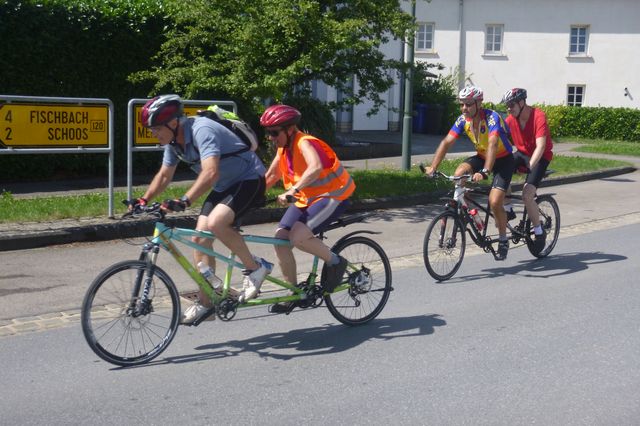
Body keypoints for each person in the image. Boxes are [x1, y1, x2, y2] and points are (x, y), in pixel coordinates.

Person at [132, 95, 272, 324]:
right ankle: (207, 303)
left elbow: (210, 172)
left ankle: (256, 267)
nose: (153, 133)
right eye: (151, 129)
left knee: (217, 223)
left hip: (249, 179)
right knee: (199, 239)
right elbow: (165, 175)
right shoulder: (174, 143)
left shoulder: (202, 130)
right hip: (225, 186)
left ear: (174, 123)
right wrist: (143, 199)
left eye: (156, 128)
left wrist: (185, 200)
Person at [259, 104, 356, 312]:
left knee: (298, 237)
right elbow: (271, 176)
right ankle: (293, 291)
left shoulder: (305, 143)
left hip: (333, 195)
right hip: (307, 198)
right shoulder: (283, 149)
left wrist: (292, 189)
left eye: (274, 133)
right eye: (268, 133)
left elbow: (315, 167)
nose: (271, 138)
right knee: (280, 239)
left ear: (290, 129)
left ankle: (336, 262)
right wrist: (248, 200)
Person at [424, 86, 515, 260]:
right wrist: (433, 167)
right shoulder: (462, 120)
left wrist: (485, 171)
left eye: (468, 104)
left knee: (495, 201)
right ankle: (470, 213)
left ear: (478, 103)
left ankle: (503, 239)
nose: (464, 108)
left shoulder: (491, 117)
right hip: (482, 156)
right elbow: (446, 142)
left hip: (502, 159)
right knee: (459, 173)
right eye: (461, 105)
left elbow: (493, 144)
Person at [501, 88, 553, 253]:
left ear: (522, 102)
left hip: (540, 156)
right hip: (522, 153)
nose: (509, 108)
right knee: (501, 172)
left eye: (511, 105)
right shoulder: (510, 120)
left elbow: (541, 146)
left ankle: (538, 230)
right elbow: (497, 140)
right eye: (507, 105)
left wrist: (530, 166)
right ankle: (508, 210)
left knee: (526, 194)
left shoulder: (538, 116)